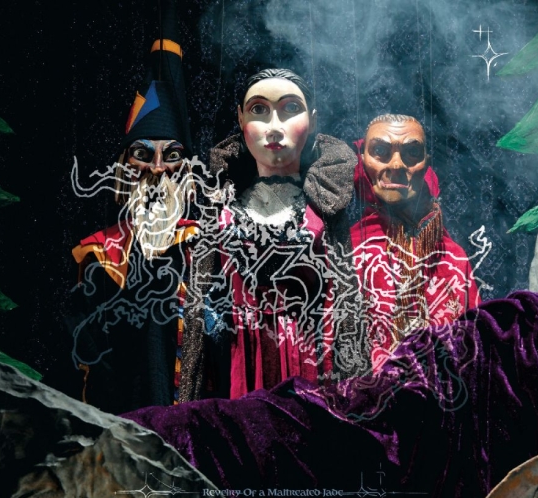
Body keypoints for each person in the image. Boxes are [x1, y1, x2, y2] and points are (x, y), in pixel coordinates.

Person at [177, 68, 363, 402]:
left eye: (290, 109)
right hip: (238, 362)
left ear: (313, 121)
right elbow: (198, 309)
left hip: (308, 363)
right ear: (240, 119)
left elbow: (346, 307)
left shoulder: (327, 203)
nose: (274, 127)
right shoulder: (219, 204)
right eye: (259, 110)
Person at [69, 0, 197, 413]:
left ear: (186, 171)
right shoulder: (98, 255)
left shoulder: (205, 248)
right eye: (143, 154)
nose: (157, 169)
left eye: (171, 155)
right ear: (124, 168)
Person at [350, 114, 481, 369]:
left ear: (426, 163)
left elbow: (474, 350)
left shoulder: (452, 258)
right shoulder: (348, 251)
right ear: (362, 159)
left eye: (412, 152)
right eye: (380, 151)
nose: (396, 164)